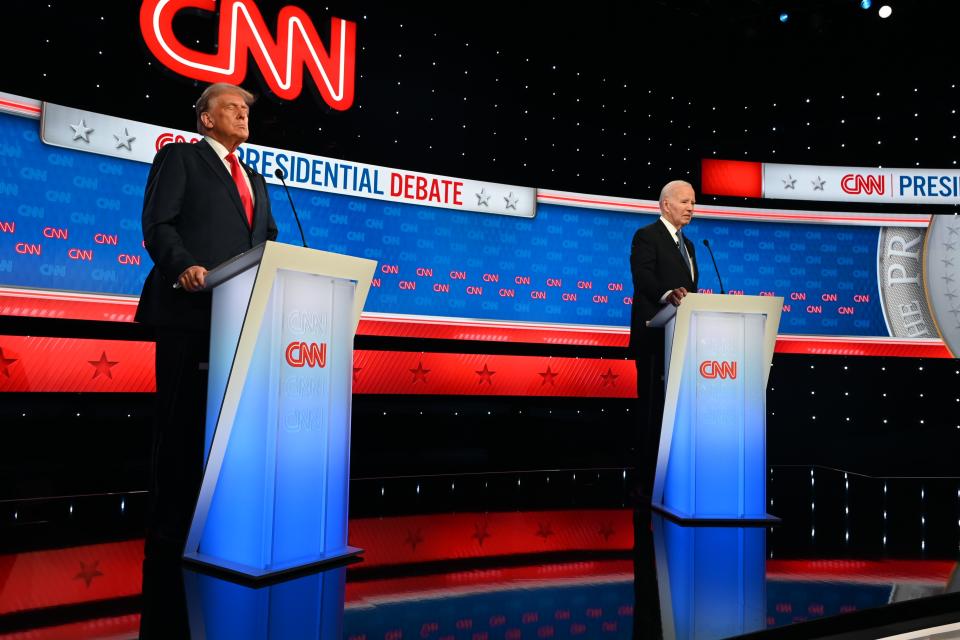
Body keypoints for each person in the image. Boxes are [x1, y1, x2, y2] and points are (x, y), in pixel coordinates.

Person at [136, 82, 278, 556]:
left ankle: (219, 526)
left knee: (228, 427)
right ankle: (170, 532)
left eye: (246, 109)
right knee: (181, 426)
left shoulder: (257, 179)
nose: (243, 114)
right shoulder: (181, 158)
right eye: (232, 107)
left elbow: (267, 240)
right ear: (206, 118)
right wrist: (183, 266)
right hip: (188, 310)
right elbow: (159, 224)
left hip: (240, 317)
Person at [628, 180, 699, 500]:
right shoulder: (647, 236)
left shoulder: (692, 246)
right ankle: (645, 481)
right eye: (684, 202)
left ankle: (673, 476)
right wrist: (667, 294)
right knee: (652, 408)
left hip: (682, 340)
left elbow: (691, 291)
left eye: (693, 203)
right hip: (654, 337)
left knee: (677, 410)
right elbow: (643, 277)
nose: (690, 208)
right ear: (666, 204)